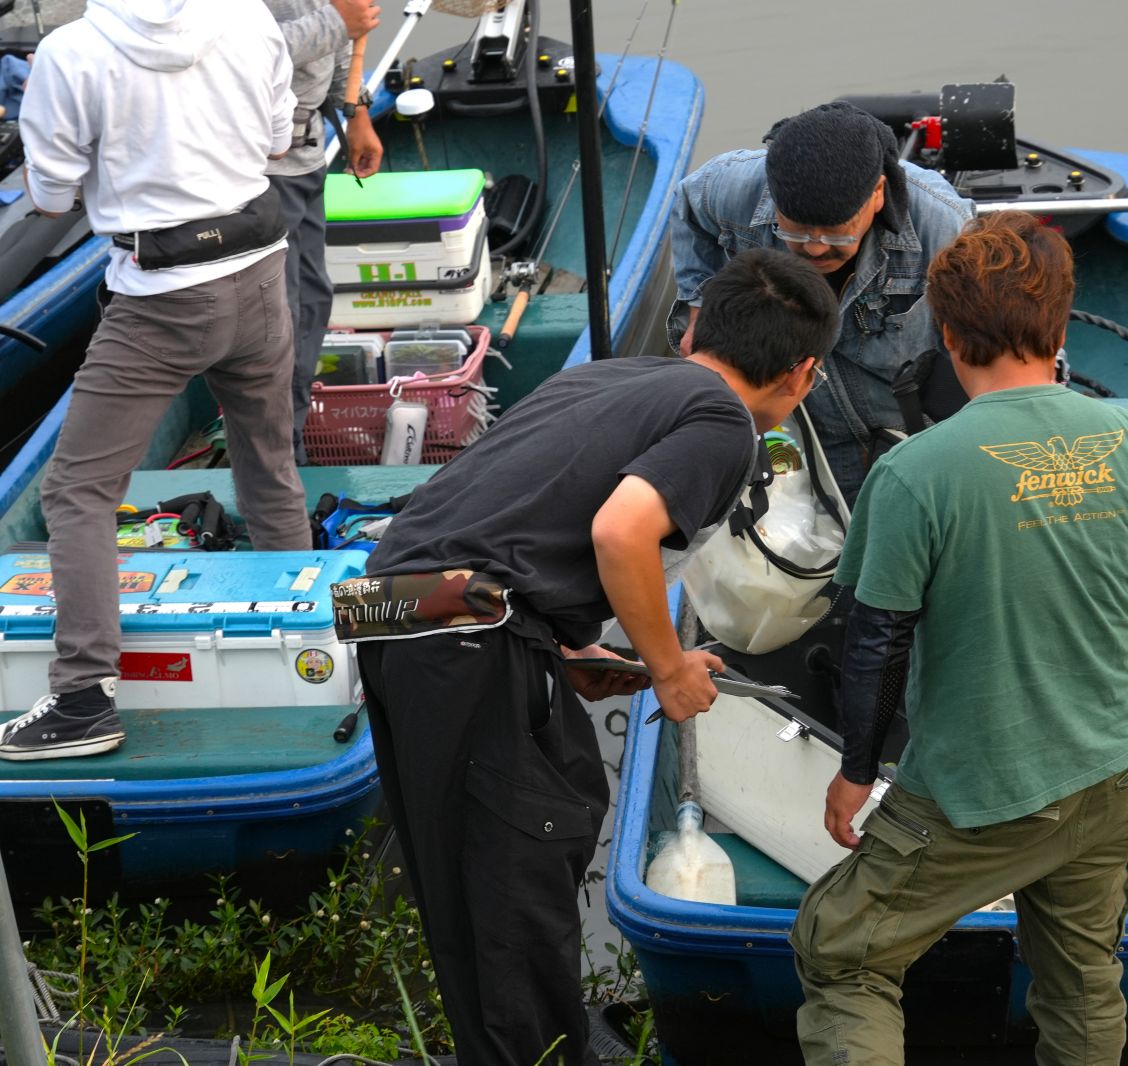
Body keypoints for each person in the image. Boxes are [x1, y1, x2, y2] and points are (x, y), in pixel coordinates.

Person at [346, 248, 840, 1066]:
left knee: (469, 895)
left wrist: (566, 645)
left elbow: (510, 514)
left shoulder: (609, 378)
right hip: (464, 634)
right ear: (802, 374)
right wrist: (670, 667)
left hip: (392, 608)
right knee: (515, 888)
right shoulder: (725, 422)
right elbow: (620, 530)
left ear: (693, 330)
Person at [789, 211, 1128, 1066]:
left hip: (973, 798)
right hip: (1105, 781)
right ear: (1059, 331)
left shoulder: (914, 473)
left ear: (947, 336)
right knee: (1083, 982)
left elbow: (877, 644)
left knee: (841, 953)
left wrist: (857, 770)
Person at [0, 0, 311, 762]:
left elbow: (50, 197)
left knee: (76, 490)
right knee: (268, 464)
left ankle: (82, 698)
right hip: (260, 270)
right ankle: (308, 648)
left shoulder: (70, 54)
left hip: (161, 298)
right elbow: (277, 142)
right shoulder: (251, 17)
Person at [668, 100, 973, 502]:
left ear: (877, 194)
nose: (814, 249)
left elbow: (986, 338)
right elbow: (689, 207)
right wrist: (698, 309)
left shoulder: (945, 226)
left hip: (909, 432)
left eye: (835, 234)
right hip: (804, 431)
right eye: (794, 231)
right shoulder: (732, 186)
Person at [264, 0, 384, 463]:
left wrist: (356, 113)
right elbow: (233, 56)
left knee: (313, 299)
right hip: (259, 171)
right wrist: (335, 22)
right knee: (280, 317)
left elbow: (341, 30)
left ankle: (288, 435)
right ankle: (278, 455)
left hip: (307, 158)